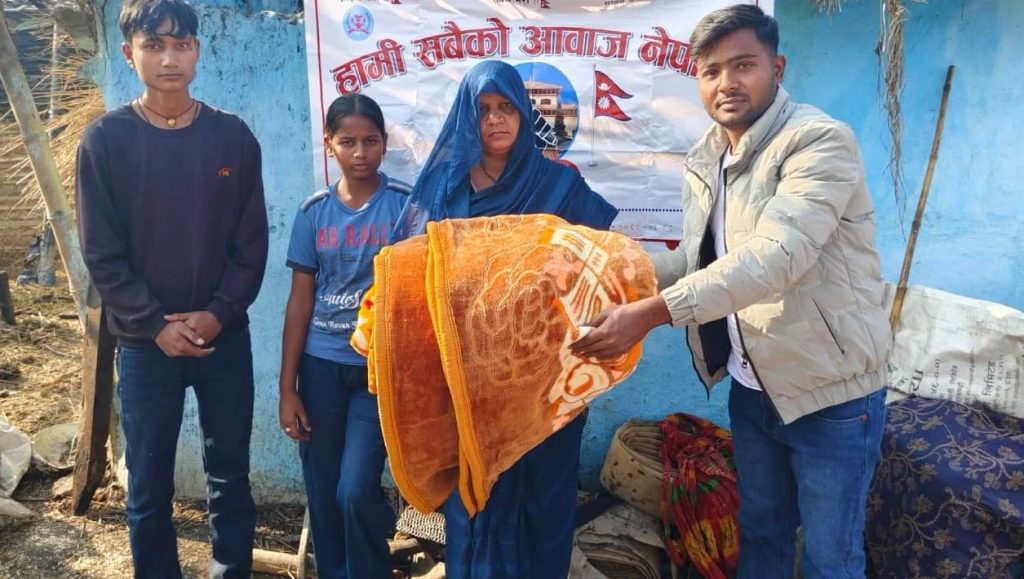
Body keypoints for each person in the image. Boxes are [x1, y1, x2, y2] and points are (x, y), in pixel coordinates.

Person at [571, 5, 891, 578]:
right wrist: (602, 272)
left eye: (743, 65)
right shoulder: (709, 157)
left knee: (829, 557)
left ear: (778, 67)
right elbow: (697, 259)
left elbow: (774, 259)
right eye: (711, 71)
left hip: (831, 394)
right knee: (761, 534)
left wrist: (651, 314)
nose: (727, 83)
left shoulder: (818, 143)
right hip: (753, 387)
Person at [392, 60, 616, 579]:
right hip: (467, 383)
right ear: (466, 119)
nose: (495, 120)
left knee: (546, 495)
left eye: (506, 107)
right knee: (475, 497)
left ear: (522, 113)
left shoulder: (558, 184)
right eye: (483, 109)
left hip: (547, 376)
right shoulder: (442, 189)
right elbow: (410, 277)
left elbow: (595, 263)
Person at [74, 0, 268, 576]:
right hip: (144, 345)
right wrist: (156, 324)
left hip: (223, 339)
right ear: (128, 51)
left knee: (230, 474)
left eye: (181, 44)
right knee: (150, 484)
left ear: (198, 52)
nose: (168, 58)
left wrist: (218, 313)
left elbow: (250, 243)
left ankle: (229, 570)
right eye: (154, 45)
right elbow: (102, 255)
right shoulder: (104, 142)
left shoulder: (232, 137)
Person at [278, 94, 407, 579]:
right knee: (323, 486)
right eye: (347, 142)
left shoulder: (403, 208)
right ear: (328, 144)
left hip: (378, 370)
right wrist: (287, 388)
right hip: (319, 367)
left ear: (384, 144)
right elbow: (300, 302)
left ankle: (371, 568)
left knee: (355, 488)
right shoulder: (313, 214)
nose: (360, 152)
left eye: (370, 141)